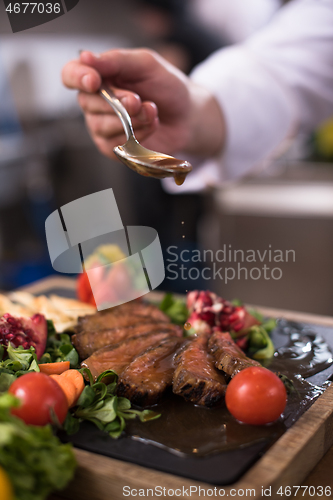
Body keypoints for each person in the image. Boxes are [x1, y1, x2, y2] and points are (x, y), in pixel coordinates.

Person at [62, 0, 333, 192]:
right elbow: (297, 63)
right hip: (201, 137)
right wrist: (191, 115)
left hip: (228, 150)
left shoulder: (177, 37)